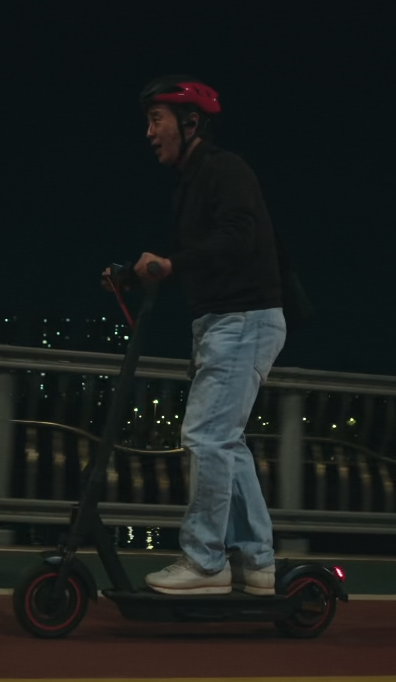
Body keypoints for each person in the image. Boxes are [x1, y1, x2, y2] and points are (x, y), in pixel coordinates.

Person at [108, 75, 288, 596]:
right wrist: (133, 275)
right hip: (222, 321)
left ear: (190, 123)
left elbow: (239, 236)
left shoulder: (224, 168)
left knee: (207, 437)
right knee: (227, 443)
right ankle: (256, 561)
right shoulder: (191, 181)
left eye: (156, 120)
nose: (149, 132)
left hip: (243, 318)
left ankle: (206, 561)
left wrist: (170, 264)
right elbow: (195, 256)